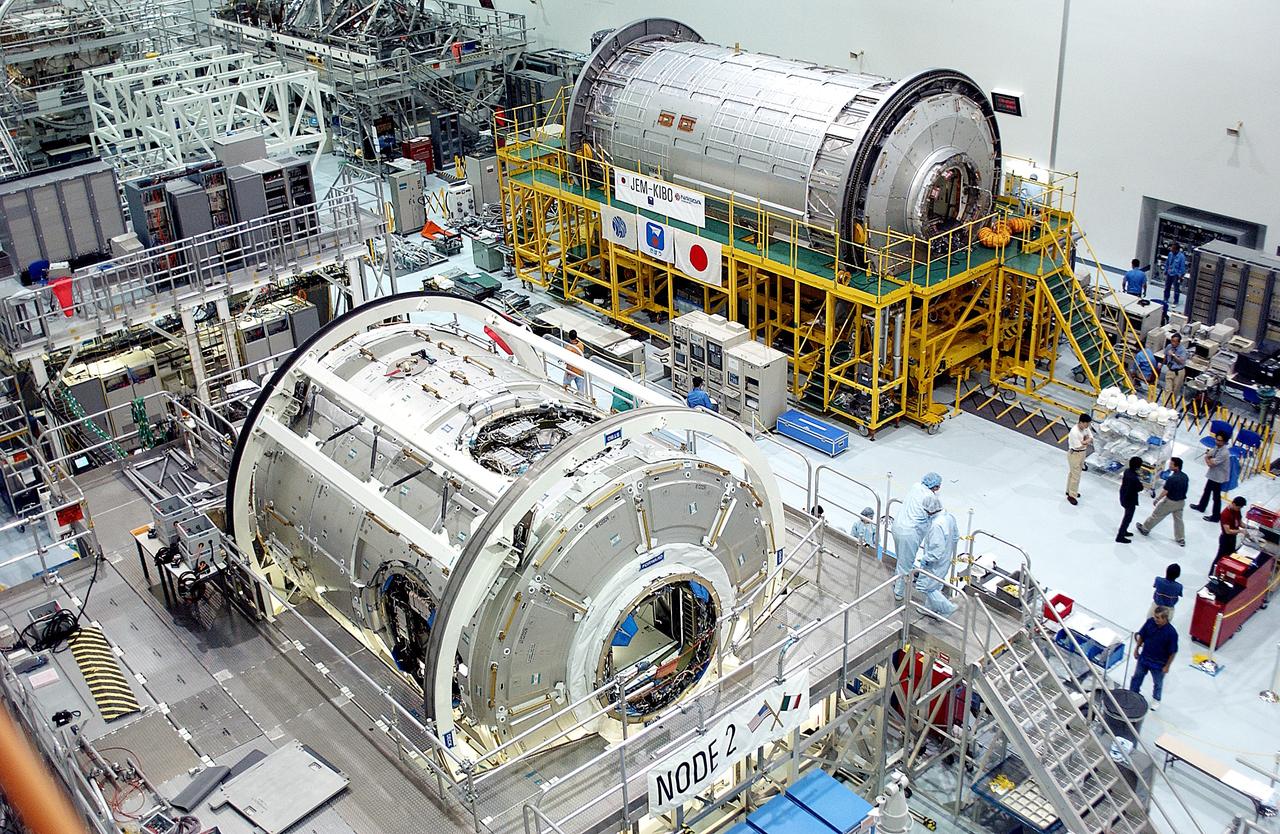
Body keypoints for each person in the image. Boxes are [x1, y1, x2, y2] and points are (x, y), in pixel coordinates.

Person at [892, 473, 943, 600]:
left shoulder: (916, 486)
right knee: (905, 565)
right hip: (910, 533)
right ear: (936, 487)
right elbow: (936, 513)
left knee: (901, 559)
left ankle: (896, 581)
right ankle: (899, 592)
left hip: (897, 526)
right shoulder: (930, 497)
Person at [1129, 606, 1178, 710]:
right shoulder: (1150, 622)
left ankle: (1156, 699)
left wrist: (1167, 666)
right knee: (1137, 677)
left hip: (1159, 664)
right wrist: (1136, 649)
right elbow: (1142, 636)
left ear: (1165, 618)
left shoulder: (1171, 633)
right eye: (1155, 616)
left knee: (1158, 683)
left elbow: (1173, 651)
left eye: (1158, 618)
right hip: (1144, 658)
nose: (1155, 619)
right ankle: (1133, 693)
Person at [914, 511, 959, 616]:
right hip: (945, 558)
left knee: (927, 587)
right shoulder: (949, 517)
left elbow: (936, 551)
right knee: (937, 584)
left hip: (935, 563)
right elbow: (956, 537)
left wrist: (926, 559)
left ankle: (947, 608)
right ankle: (930, 608)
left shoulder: (936, 525)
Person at [1136, 456, 1187, 546]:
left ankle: (1145, 528)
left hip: (1170, 502)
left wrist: (1157, 499)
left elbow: (1165, 491)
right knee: (1178, 520)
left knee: (1157, 515)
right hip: (1181, 502)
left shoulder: (1172, 478)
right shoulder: (1185, 476)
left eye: (1171, 464)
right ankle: (1180, 538)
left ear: (1177, 466)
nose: (1169, 465)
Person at [1190, 431, 1231, 521]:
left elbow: (1211, 463)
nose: (1217, 442)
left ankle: (1216, 516)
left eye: (1219, 440)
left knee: (1216, 497)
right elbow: (1209, 456)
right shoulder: (1217, 447)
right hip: (1214, 474)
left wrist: (1207, 458)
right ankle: (1201, 506)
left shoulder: (1224, 452)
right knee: (1207, 491)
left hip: (1218, 477)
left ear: (1224, 442)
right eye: (1216, 439)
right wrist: (1208, 458)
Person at [1066, 413, 1093, 506]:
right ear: (1081, 422)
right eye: (1086, 424)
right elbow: (1078, 446)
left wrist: (1084, 442)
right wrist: (1086, 442)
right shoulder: (1074, 432)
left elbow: (1091, 437)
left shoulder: (1085, 428)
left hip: (1082, 453)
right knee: (1076, 475)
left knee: (1073, 473)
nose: (1088, 426)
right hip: (1075, 454)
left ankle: (1069, 490)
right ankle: (1072, 495)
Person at [1214, 495, 1248, 567]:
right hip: (1225, 539)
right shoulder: (1225, 514)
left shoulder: (1237, 511)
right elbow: (1228, 531)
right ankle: (1212, 571)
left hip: (1233, 538)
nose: (1239, 509)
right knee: (1220, 557)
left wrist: (1249, 527)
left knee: (1231, 556)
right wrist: (1240, 531)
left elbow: (1240, 523)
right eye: (1239, 507)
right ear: (1234, 504)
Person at [1116, 456, 1143, 543]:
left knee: (1127, 517)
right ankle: (1120, 536)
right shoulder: (1134, 478)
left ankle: (1124, 531)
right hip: (1130, 499)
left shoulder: (1127, 471)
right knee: (1127, 518)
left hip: (1123, 495)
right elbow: (1140, 488)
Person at [1162, 333, 1188, 400]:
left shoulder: (1182, 350)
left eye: (1174, 341)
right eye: (1172, 341)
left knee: (1175, 390)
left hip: (1178, 372)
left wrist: (1173, 355)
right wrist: (1162, 364)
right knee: (1168, 389)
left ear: (1178, 342)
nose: (1172, 343)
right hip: (1170, 370)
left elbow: (1181, 362)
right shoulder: (1169, 346)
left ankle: (1172, 403)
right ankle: (1165, 404)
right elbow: (1165, 356)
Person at [563, 330, 586, 394]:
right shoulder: (581, 345)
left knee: (565, 383)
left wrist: (568, 371)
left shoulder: (569, 348)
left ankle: (566, 394)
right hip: (580, 370)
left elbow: (569, 361)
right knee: (581, 389)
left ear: (569, 337)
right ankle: (582, 398)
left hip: (572, 371)